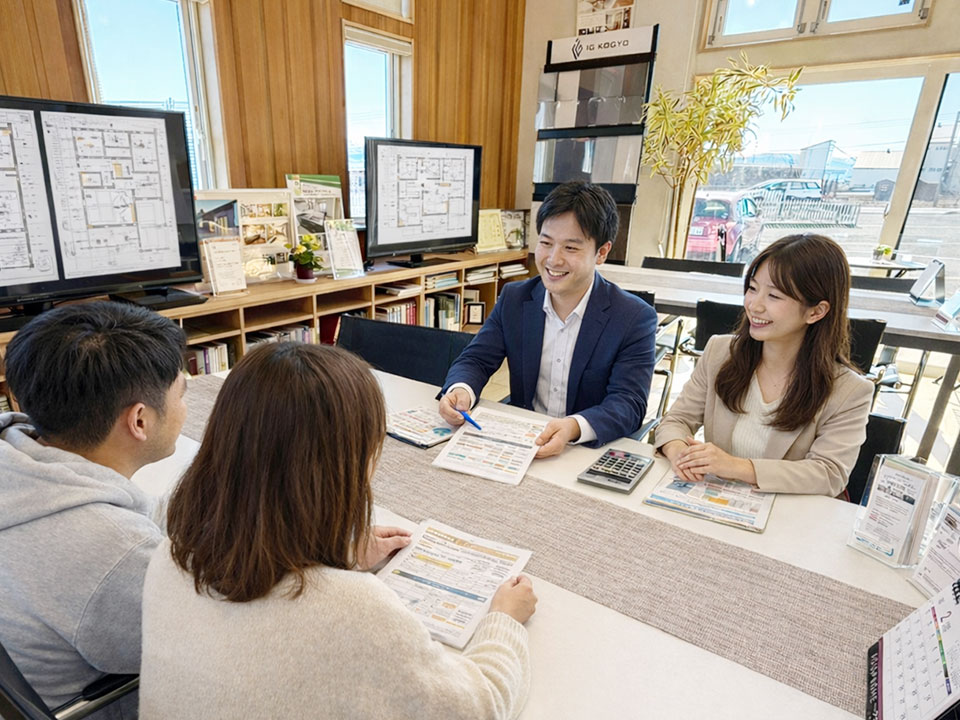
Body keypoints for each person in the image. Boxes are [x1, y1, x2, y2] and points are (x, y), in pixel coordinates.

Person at [140, 342, 537, 719]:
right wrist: (502, 620)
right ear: (338, 467)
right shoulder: (356, 611)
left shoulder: (170, 556)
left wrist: (336, 556)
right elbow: (479, 708)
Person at [0, 301, 187, 716]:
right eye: (182, 393)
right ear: (139, 420)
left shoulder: (16, 459)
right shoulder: (117, 556)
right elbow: (211, 641)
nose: (184, 409)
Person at [439, 182, 657, 456]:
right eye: (545, 243)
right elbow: (476, 360)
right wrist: (462, 390)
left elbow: (629, 404)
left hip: (586, 450)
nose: (553, 259)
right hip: (524, 443)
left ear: (601, 252)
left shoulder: (633, 318)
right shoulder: (515, 299)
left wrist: (573, 427)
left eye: (571, 248)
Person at [655, 234, 873, 496]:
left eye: (774, 296)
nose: (754, 305)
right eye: (753, 289)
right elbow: (675, 421)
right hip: (713, 500)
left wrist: (737, 467)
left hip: (784, 517)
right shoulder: (720, 352)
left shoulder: (849, 391)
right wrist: (680, 452)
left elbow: (829, 473)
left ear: (816, 311)